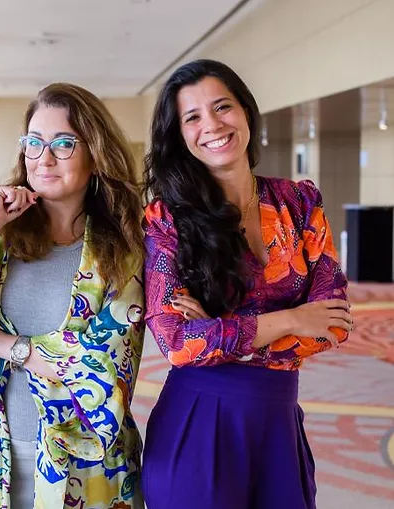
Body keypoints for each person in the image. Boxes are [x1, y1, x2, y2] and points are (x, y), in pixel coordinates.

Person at [140, 59, 352, 509]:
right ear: (179, 134)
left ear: (246, 112)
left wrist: (219, 331)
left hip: (278, 424)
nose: (212, 125)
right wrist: (294, 318)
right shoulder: (168, 221)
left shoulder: (300, 202)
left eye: (222, 107)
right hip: (199, 422)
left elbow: (333, 325)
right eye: (192, 117)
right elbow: (178, 343)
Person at [0, 83, 145, 509]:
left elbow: (99, 365)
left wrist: (1, 344)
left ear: (95, 152)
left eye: (63, 144)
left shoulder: (124, 249)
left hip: (88, 465)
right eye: (33, 142)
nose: (43, 158)